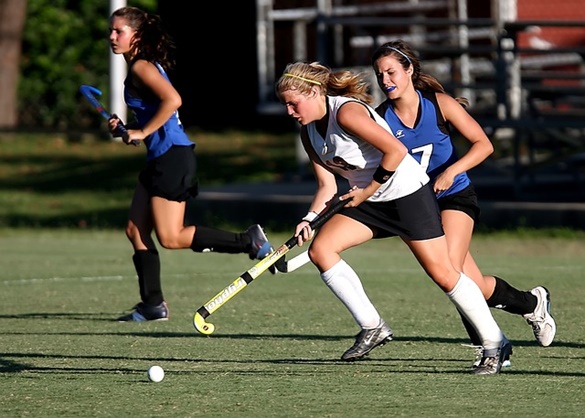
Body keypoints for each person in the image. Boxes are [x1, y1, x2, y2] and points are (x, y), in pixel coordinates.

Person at [275, 61, 511, 375]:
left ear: (316, 92)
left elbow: (396, 151)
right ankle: (372, 327)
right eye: (285, 105)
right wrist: (309, 218)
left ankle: (496, 343)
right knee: (321, 250)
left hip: (406, 195)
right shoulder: (309, 134)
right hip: (370, 200)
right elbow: (326, 186)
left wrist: (367, 189)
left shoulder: (346, 112)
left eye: (294, 103)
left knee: (443, 273)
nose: (290, 111)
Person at [370, 39, 556, 365]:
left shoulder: (439, 104)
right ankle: (531, 304)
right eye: (379, 74)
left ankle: (492, 348)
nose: (386, 80)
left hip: (455, 195)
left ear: (410, 70)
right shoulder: (381, 118)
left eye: (391, 72)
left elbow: (483, 145)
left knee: (450, 271)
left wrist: (450, 171)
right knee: (474, 285)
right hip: (419, 206)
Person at [107, 6, 274, 322]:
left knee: (170, 237)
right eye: (111, 31)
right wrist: (127, 128)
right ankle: (152, 305)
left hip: (172, 158)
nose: (112, 37)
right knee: (135, 229)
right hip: (161, 157)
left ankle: (248, 241)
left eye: (119, 31)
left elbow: (173, 101)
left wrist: (141, 131)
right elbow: (155, 111)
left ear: (137, 36)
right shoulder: (140, 66)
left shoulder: (142, 66)